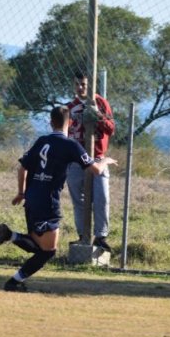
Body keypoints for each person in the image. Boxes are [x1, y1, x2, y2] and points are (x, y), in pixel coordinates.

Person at [0, 105, 115, 292]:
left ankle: (12, 253)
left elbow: (23, 168)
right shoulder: (71, 145)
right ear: (70, 123)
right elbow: (95, 170)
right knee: (47, 251)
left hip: (31, 198)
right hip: (48, 202)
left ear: (50, 122)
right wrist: (105, 160)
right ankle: (12, 275)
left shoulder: (42, 141)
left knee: (38, 246)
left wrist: (21, 193)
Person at [65, 70, 116, 252]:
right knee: (79, 199)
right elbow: (64, 133)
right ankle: (82, 235)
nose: (80, 88)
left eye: (84, 85)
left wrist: (98, 116)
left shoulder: (100, 102)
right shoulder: (70, 107)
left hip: (97, 158)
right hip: (76, 160)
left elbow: (111, 129)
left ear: (91, 85)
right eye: (77, 85)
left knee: (101, 197)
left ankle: (100, 236)